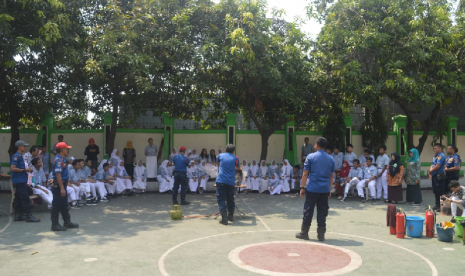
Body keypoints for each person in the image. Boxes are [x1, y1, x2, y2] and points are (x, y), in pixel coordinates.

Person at [296, 137, 335, 241]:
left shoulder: (310, 157)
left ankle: (304, 233)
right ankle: (321, 235)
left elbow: (305, 173)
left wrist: (302, 187)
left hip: (313, 188)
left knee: (308, 210)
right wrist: (329, 189)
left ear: (317, 145)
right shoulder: (331, 159)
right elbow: (331, 176)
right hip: (324, 189)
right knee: (322, 211)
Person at [51, 142, 79, 231]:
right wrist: (62, 188)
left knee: (64, 205)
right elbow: (58, 175)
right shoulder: (58, 160)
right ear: (62, 150)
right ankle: (55, 225)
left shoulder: (62, 159)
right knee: (56, 205)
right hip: (59, 185)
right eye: (66, 148)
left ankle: (67, 222)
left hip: (62, 183)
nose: (68, 150)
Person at [10, 140, 40, 222]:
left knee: (18, 197)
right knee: (25, 198)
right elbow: (13, 168)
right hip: (19, 180)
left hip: (21, 179)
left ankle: (17, 215)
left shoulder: (20, 156)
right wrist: (25, 170)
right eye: (23, 146)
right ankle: (29, 216)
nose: (25, 147)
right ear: (19, 146)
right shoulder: (16, 156)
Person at [216, 144, 239, 225]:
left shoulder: (220, 155)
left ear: (225, 150)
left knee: (221, 199)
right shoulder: (235, 158)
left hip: (221, 180)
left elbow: (218, 164)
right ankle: (231, 216)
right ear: (233, 151)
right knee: (230, 198)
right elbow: (238, 167)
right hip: (230, 181)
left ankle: (224, 218)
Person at [428, 143, 447, 211]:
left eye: (436, 148)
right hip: (434, 175)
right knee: (435, 191)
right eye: (434, 148)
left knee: (440, 191)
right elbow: (432, 164)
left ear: (440, 148)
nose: (434, 149)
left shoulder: (441, 156)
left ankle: (441, 206)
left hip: (439, 175)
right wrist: (430, 171)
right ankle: (437, 205)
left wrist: (431, 171)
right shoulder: (435, 155)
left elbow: (438, 166)